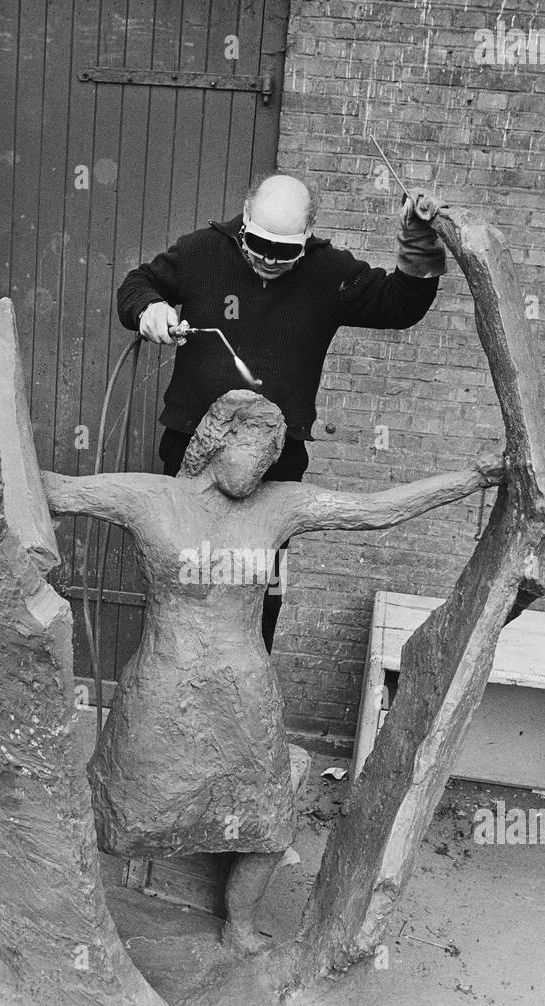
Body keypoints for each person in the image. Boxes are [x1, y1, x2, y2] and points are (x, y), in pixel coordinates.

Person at [44, 390, 503, 952]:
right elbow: (56, 491)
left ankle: (239, 925)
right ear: (218, 440)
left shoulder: (279, 505)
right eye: (254, 452)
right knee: (115, 810)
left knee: (266, 820)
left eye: (270, 459)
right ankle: (68, 910)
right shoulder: (147, 497)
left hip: (245, 690)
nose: (261, 468)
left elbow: (375, 509)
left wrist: (475, 477)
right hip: (164, 685)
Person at [116, 172, 446, 651]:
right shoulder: (201, 251)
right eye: (260, 243)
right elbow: (137, 283)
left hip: (275, 467)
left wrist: (418, 240)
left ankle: (244, 697)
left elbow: (400, 305)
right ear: (245, 219)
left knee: (257, 593)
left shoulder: (330, 272)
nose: (270, 259)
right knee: (182, 580)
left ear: (307, 236)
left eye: (285, 250)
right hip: (190, 455)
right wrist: (148, 308)